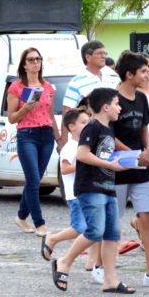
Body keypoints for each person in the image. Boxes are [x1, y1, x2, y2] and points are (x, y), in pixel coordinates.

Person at [49, 88, 134, 294]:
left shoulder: (107, 129)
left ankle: (110, 280)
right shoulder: (92, 127)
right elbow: (83, 154)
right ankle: (64, 261)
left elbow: (105, 155)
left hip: (107, 187)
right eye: (116, 103)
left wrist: (125, 160)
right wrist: (110, 164)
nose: (119, 108)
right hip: (90, 187)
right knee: (95, 231)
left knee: (112, 234)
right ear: (105, 107)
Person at [110, 52, 149, 288]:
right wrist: (132, 153)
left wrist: (147, 149)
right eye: (143, 72)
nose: (148, 75)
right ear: (129, 74)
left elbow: (145, 128)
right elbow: (109, 134)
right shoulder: (112, 99)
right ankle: (102, 267)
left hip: (141, 165)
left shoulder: (141, 98)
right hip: (118, 165)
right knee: (111, 219)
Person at [6, 47, 59, 235]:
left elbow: (50, 115)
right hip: (27, 134)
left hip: (46, 135)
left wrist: (58, 138)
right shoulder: (16, 87)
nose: (35, 62)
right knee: (34, 179)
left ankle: (21, 217)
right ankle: (39, 223)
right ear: (24, 65)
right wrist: (26, 109)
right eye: (31, 59)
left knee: (33, 181)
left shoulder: (48, 87)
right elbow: (12, 118)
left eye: (38, 59)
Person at [41, 109, 89, 264]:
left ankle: (94, 263)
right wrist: (84, 164)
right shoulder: (70, 147)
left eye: (88, 122)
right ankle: (53, 238)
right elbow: (65, 169)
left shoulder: (84, 145)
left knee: (92, 227)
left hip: (86, 192)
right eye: (83, 123)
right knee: (79, 228)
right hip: (74, 195)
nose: (87, 125)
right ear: (71, 126)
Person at [61, 40, 118, 138]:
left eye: (105, 53)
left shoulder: (112, 78)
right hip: (90, 134)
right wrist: (64, 138)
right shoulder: (77, 81)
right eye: (99, 53)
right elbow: (67, 111)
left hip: (114, 131)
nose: (103, 56)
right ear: (87, 57)